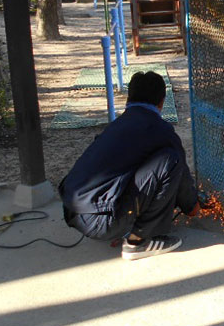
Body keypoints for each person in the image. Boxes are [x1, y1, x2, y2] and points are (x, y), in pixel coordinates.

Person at [59, 71, 200, 260]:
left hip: (73, 214)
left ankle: (122, 225)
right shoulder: (161, 130)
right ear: (161, 101)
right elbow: (179, 174)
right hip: (102, 222)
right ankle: (137, 242)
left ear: (128, 98)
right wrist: (191, 206)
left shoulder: (117, 126)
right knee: (171, 158)